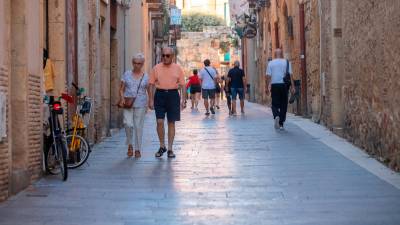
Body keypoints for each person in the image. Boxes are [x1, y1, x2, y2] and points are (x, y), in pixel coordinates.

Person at [149, 47, 186, 158]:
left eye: (167, 56)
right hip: (159, 95)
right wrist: (150, 99)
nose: (165, 57)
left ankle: (170, 148)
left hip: (173, 95)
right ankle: (162, 146)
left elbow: (183, 85)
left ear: (172, 56)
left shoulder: (178, 68)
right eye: (163, 55)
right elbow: (151, 84)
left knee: (171, 122)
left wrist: (183, 100)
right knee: (159, 122)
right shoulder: (156, 68)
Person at [119, 53, 150, 158]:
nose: (137, 65)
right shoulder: (126, 74)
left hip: (141, 103)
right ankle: (129, 144)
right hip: (128, 103)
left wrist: (150, 102)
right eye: (135, 63)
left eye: (139, 63)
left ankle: (137, 149)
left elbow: (148, 90)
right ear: (132, 63)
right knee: (128, 124)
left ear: (142, 64)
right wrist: (122, 98)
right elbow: (121, 89)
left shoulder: (146, 76)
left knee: (138, 127)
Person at [265, 48, 295, 130]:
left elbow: (267, 76)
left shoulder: (271, 63)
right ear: (282, 54)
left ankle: (276, 115)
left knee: (274, 104)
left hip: (274, 85)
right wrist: (293, 86)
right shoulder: (287, 62)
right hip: (284, 85)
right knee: (283, 104)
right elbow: (291, 75)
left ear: (274, 55)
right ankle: (281, 123)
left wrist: (266, 86)